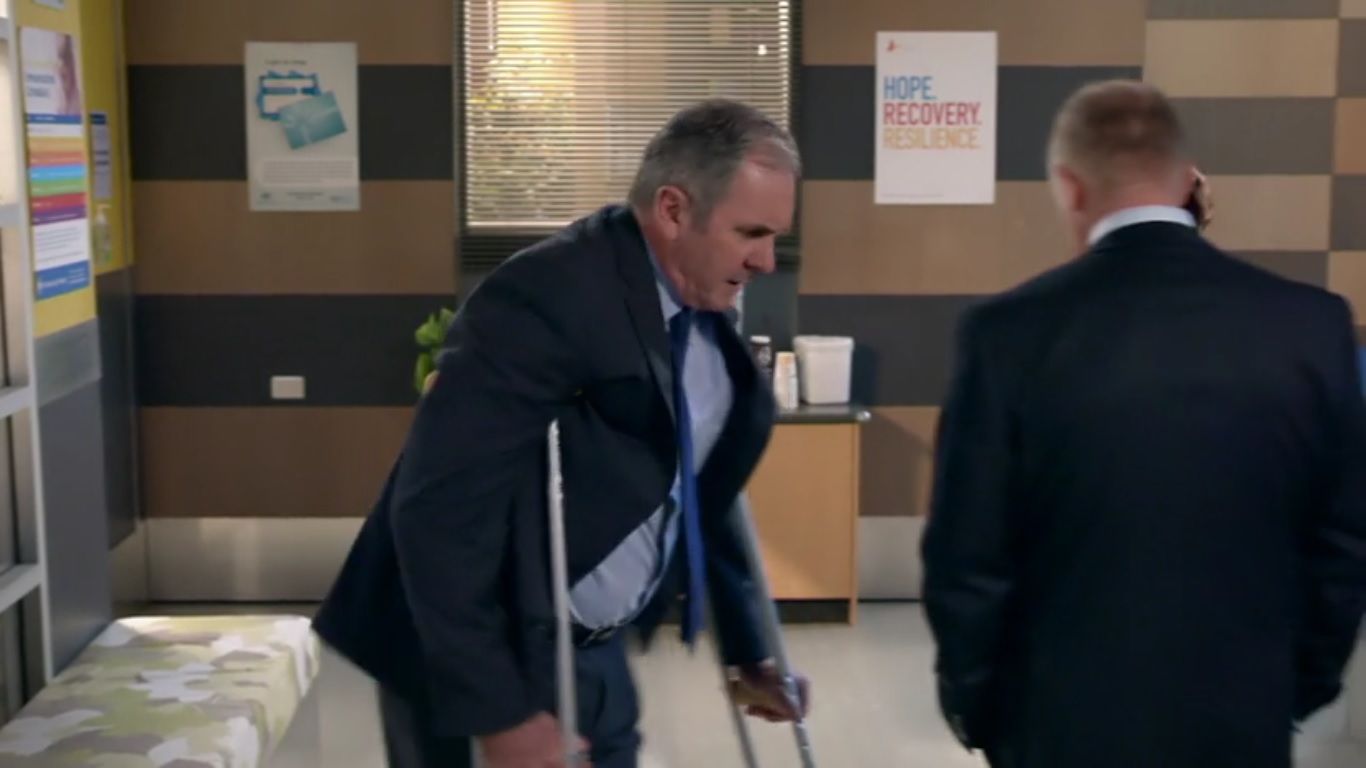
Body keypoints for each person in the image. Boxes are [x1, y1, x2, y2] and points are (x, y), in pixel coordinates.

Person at [312, 98, 811, 768]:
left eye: (774, 237)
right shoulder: (547, 295)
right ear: (673, 211)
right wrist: (500, 715)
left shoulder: (704, 300)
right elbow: (439, 511)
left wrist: (749, 649)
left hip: (590, 645)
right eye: (751, 233)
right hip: (471, 646)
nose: (767, 261)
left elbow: (697, 488)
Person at [921, 79, 1366, 768]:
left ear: (1070, 187)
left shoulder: (1006, 334)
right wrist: (1295, 684)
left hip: (1058, 726)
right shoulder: (1311, 326)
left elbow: (968, 554)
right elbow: (1343, 541)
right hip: (1241, 720)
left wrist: (978, 707)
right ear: (1188, 179)